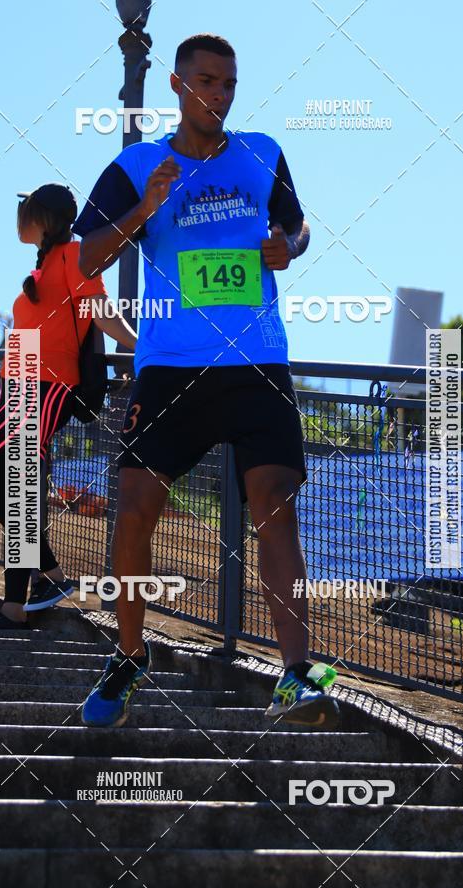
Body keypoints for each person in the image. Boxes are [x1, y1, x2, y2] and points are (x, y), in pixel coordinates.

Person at [74, 33, 339, 727]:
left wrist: (290, 246)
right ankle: (129, 655)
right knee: (134, 508)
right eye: (206, 81)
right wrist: (143, 210)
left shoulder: (262, 153)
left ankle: (296, 674)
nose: (218, 94)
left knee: (275, 504)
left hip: (256, 362)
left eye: (229, 83)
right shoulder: (136, 165)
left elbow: (298, 226)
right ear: (176, 84)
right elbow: (84, 261)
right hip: (170, 367)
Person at [0, 183, 137, 629]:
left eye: (25, 210)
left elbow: (101, 310)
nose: (19, 218)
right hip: (23, 379)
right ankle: (23, 600)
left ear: (42, 219)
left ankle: (46, 580)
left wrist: (141, 349)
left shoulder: (74, 255)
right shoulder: (45, 263)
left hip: (45, 383)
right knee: (17, 487)